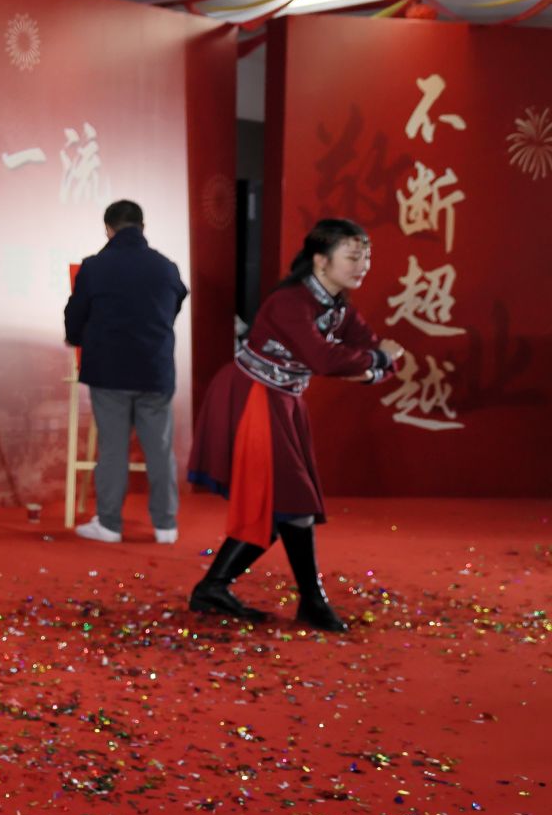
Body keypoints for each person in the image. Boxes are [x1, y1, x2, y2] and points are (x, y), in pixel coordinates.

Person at [186, 219, 402, 631]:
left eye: (366, 257)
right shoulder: (290, 302)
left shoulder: (338, 307)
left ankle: (215, 588)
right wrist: (378, 361)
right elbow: (327, 359)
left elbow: (366, 353)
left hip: (282, 402)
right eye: (353, 257)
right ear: (321, 261)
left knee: (280, 502)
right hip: (253, 399)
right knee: (292, 500)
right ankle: (310, 601)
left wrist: (375, 363)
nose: (362, 265)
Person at [63, 199, 190, 545]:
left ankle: (109, 524)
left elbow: (75, 314)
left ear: (108, 229)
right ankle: (166, 526)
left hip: (109, 371)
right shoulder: (166, 267)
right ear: (142, 227)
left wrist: (76, 338)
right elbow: (174, 304)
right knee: (159, 449)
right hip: (155, 370)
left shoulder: (95, 267)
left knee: (113, 449)